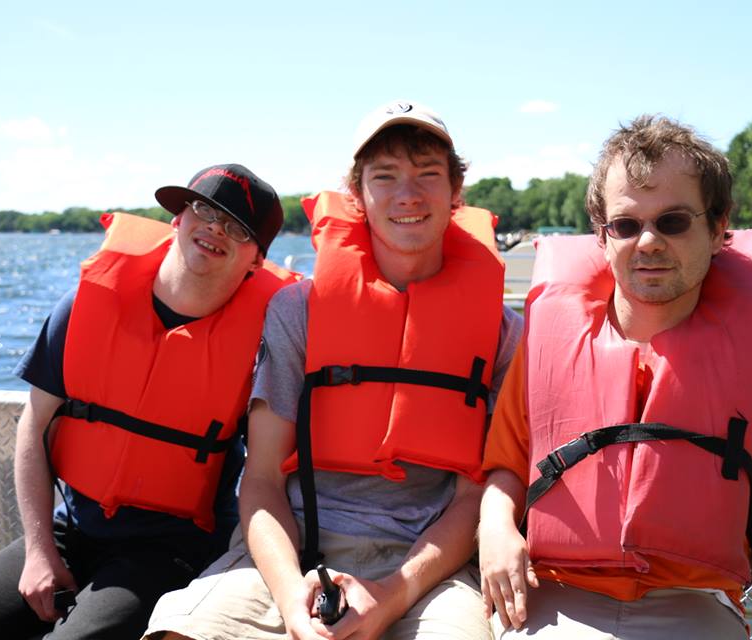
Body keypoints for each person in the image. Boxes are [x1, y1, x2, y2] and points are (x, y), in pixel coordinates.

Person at [142, 100, 523, 640]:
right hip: (293, 551)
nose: (407, 194)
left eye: (428, 175)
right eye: (384, 176)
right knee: (177, 632)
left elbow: (472, 499)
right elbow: (263, 478)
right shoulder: (298, 311)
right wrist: (291, 595)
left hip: (429, 566)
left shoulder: (502, 332)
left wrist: (392, 593)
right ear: (358, 194)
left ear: (456, 191)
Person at [478, 116, 752, 639]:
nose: (648, 242)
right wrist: (497, 526)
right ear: (602, 234)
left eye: (674, 222)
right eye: (626, 225)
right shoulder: (544, 349)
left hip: (694, 606)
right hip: (553, 600)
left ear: (717, 227)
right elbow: (505, 470)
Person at [0, 164, 294, 639]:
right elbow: (33, 425)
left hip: (172, 546)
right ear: (177, 220)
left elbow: (271, 471)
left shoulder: (264, 346)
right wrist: (40, 551)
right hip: (71, 529)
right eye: (203, 209)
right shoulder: (84, 304)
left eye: (236, 227)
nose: (213, 228)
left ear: (256, 259)